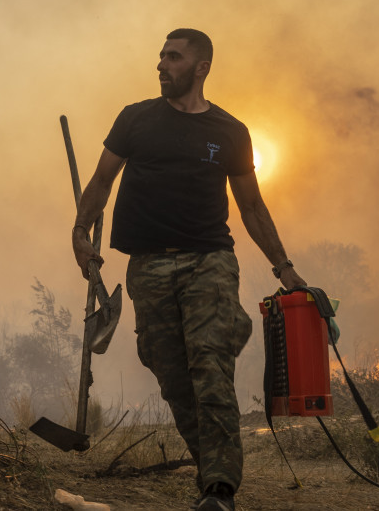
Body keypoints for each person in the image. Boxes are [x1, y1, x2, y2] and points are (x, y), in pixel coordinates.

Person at [71, 28, 306, 511]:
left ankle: (219, 489)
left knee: (210, 366)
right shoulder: (135, 119)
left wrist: (285, 269)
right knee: (171, 374)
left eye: (173, 57)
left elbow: (253, 207)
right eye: (160, 56)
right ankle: (210, 471)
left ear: (201, 68)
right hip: (148, 265)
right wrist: (79, 232)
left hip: (209, 262)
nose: (161, 64)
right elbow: (100, 181)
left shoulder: (229, 131)